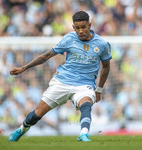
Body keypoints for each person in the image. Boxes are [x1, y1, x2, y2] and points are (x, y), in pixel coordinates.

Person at [8, 11, 111, 142]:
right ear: (73, 27)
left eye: (83, 27)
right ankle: (21, 129)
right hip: (62, 81)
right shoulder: (69, 39)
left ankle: (83, 134)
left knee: (86, 104)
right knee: (37, 113)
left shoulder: (102, 44)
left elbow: (106, 67)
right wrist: (24, 68)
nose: (80, 31)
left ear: (89, 25)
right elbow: (46, 56)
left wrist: (99, 90)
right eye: (77, 28)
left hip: (84, 85)